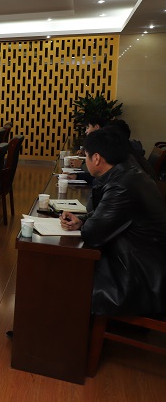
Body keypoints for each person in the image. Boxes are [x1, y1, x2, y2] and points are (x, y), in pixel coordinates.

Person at [59, 128, 166, 317]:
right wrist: (82, 221)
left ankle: (58, 328)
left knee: (65, 273)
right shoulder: (129, 174)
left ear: (97, 158)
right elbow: (106, 217)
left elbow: (92, 234)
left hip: (139, 277)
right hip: (144, 263)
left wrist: (87, 224)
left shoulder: (121, 186)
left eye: (86, 156)